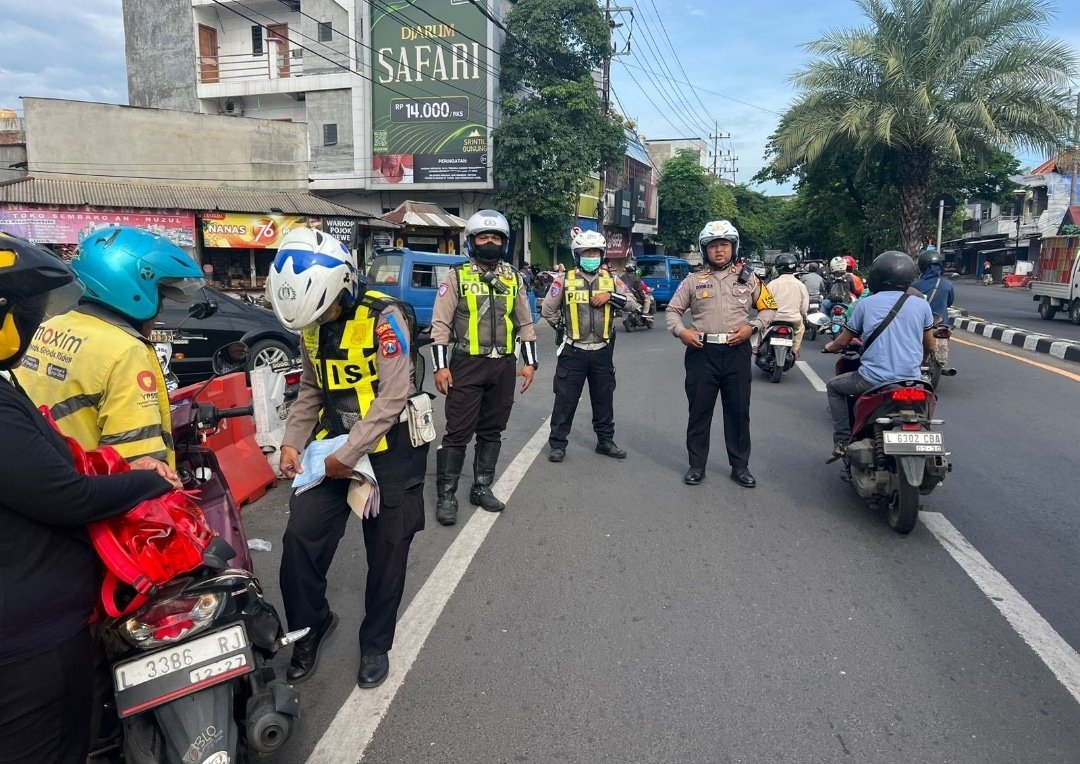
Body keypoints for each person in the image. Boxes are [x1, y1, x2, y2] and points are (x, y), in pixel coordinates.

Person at [0, 232, 177, 764]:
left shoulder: (58, 330)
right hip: (49, 614)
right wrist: (155, 479)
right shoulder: (127, 351)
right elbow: (135, 452)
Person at [268, 228, 430, 689]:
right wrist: (292, 441)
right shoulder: (313, 323)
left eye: (326, 310)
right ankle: (312, 624)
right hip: (333, 449)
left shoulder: (385, 318)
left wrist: (348, 453)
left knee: (388, 553)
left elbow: (394, 395)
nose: (320, 321)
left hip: (390, 452)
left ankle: (376, 642)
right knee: (301, 537)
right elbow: (312, 390)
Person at [20, 226, 205, 468]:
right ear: (131, 288)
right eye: (161, 295)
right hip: (97, 497)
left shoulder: (49, 327)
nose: (160, 309)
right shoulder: (125, 352)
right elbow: (139, 463)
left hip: (50, 478)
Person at [430, 210, 538, 526]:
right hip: (466, 365)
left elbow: (526, 323)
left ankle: (481, 486)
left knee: (492, 429)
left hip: (503, 365)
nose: (489, 242)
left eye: (495, 238)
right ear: (473, 242)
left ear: (503, 243)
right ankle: (446, 495)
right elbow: (440, 325)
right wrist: (440, 367)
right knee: (458, 431)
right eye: (483, 237)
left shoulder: (513, 278)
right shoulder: (456, 277)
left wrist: (530, 362)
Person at [666, 220, 777, 488]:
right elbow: (672, 312)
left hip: (736, 351)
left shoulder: (749, 279)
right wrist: (682, 332)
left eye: (724, 245)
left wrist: (752, 327)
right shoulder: (693, 281)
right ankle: (696, 465)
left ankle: (740, 467)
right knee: (699, 411)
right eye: (714, 246)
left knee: (738, 412)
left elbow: (769, 308)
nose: (719, 251)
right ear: (705, 250)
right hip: (701, 353)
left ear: (733, 248)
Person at [823, 251, 936, 462]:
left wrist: (830, 347)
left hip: (872, 381)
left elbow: (842, 342)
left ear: (878, 277)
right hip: (910, 381)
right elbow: (930, 345)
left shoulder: (865, 304)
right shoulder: (922, 305)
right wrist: (917, 362)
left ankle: (842, 442)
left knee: (834, 387)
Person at [541, 230, 637, 462]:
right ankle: (558, 444)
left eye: (595, 252)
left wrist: (610, 296)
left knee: (604, 398)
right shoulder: (564, 280)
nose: (591, 256)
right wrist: (565, 330)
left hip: (602, 351)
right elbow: (548, 310)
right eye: (586, 252)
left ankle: (605, 441)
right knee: (565, 399)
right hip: (573, 350)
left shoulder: (612, 280)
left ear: (602, 254)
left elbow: (633, 304)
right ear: (577, 255)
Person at [913, 245, 956, 368]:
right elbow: (949, 302)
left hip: (920, 323)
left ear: (922, 266)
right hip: (941, 323)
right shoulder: (947, 284)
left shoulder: (915, 285)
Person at [764, 253, 810, 357]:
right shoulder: (800, 285)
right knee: (800, 329)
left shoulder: (772, 284)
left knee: (760, 328)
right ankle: (794, 350)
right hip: (794, 319)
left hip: (773, 318)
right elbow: (804, 307)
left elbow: (765, 303)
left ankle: (755, 347)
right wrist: (803, 315)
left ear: (778, 267)